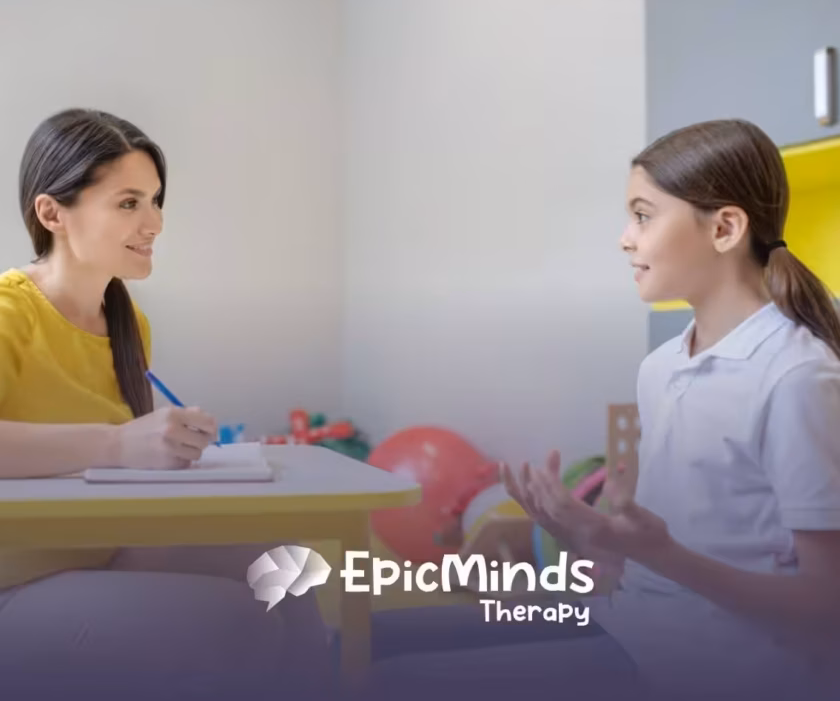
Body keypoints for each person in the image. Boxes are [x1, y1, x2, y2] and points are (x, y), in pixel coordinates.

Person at [363, 120, 840, 701]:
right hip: (636, 626)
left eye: (643, 215)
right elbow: (650, 565)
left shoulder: (796, 377)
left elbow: (824, 610)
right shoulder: (662, 367)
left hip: (719, 665)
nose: (625, 238)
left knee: (392, 684)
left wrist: (662, 555)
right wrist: (587, 537)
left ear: (725, 228)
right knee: (365, 639)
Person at [0, 108, 332, 700]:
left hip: (103, 555)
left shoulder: (129, 325)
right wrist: (119, 443)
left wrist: (170, 452)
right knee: (236, 618)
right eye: (128, 203)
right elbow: (107, 451)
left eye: (155, 201)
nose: (154, 222)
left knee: (289, 570)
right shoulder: (8, 313)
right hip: (17, 586)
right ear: (52, 213)